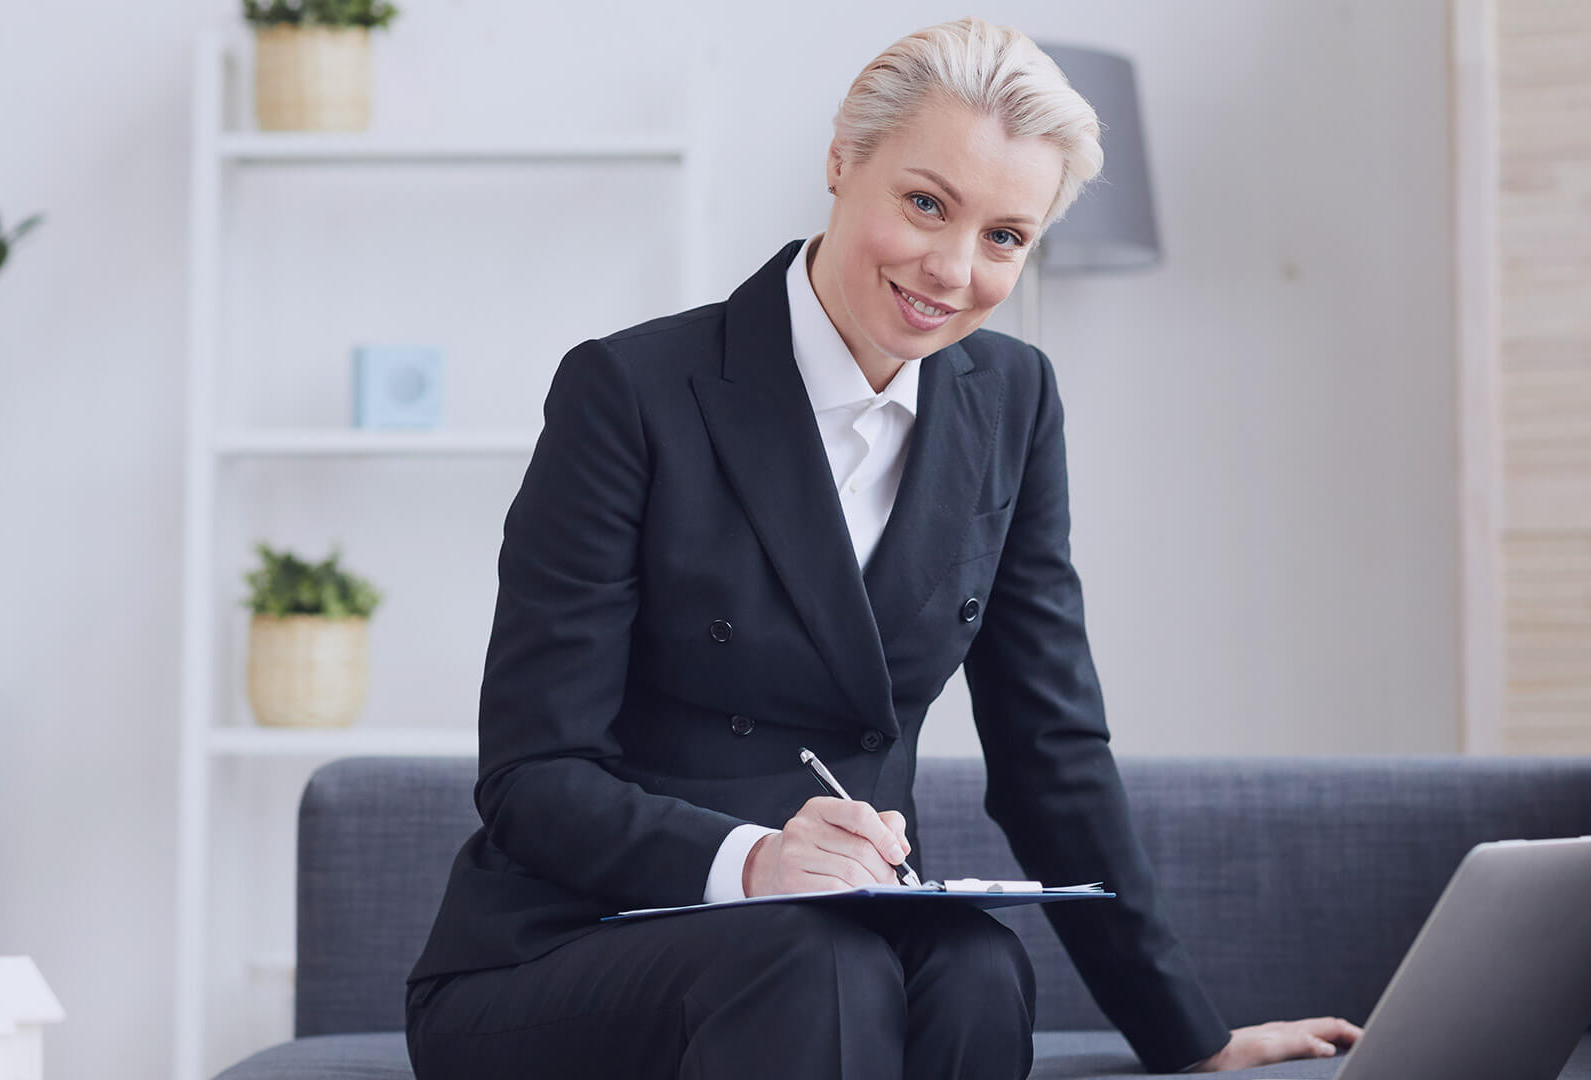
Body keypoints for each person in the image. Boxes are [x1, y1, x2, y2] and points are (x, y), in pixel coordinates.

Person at [403, 16, 1363, 1079]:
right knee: (818, 967)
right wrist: (759, 860)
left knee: (978, 968)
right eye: (925, 203)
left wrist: (1192, 1038)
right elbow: (535, 776)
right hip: (570, 946)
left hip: (838, 939)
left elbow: (1051, 749)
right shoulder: (630, 393)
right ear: (840, 158)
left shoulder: (1015, 401)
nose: (952, 269)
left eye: (1004, 237)